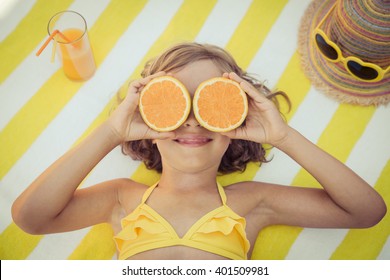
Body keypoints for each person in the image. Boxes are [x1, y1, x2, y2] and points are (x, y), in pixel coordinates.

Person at [12, 42, 386, 260]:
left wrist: (283, 136)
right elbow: (31, 218)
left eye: (211, 103)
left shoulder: (252, 201)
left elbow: (366, 211)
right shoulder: (122, 198)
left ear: (237, 119)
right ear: (147, 117)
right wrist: (111, 131)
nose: (192, 120)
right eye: (175, 102)